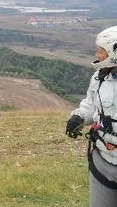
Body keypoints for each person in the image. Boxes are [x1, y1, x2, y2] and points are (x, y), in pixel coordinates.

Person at [66, 26, 117, 206]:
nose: (97, 54)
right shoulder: (99, 77)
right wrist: (79, 117)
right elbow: (90, 104)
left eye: (101, 51)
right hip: (103, 160)